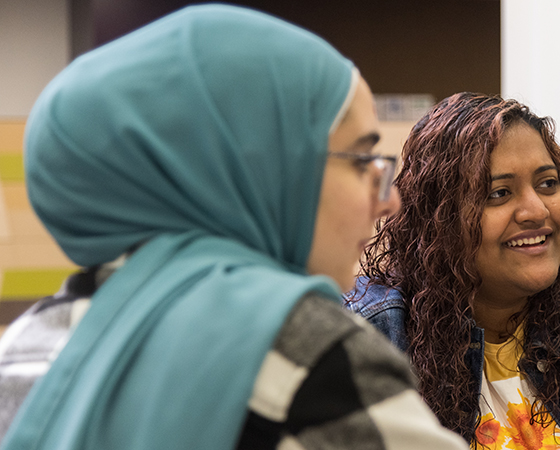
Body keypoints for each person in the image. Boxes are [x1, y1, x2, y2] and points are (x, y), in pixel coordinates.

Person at [0, 5, 472, 449]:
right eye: (362, 159)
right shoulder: (304, 351)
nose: (388, 199)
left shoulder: (25, 346)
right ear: (261, 169)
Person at [346, 93, 560, 449]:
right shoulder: (369, 337)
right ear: (440, 219)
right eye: (499, 193)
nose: (536, 210)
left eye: (547, 184)